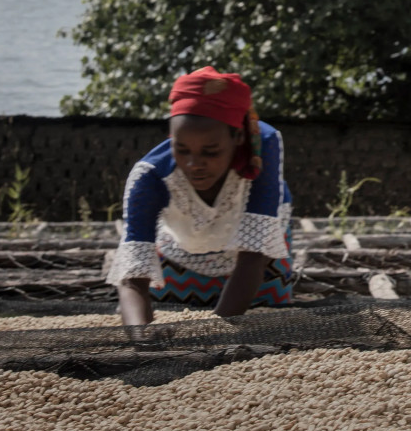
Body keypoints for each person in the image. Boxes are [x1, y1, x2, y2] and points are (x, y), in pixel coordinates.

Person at [107, 67, 295, 326]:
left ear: (237, 138)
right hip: (182, 253)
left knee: (271, 312)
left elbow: (255, 253)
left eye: (211, 151)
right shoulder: (150, 177)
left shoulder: (263, 147)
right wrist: (141, 338)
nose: (195, 164)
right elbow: (133, 278)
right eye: (182, 149)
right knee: (170, 305)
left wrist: (215, 332)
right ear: (171, 139)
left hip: (256, 264)